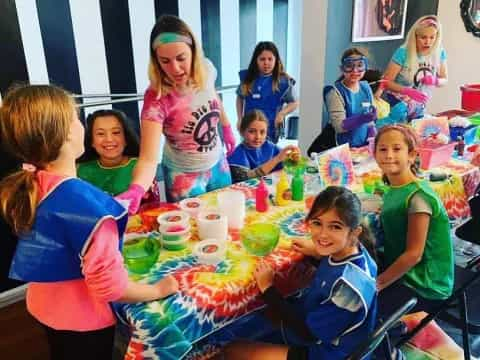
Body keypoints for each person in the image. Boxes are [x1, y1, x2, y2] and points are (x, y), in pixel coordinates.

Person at [0, 85, 179, 359]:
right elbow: (112, 287)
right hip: (82, 322)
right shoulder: (91, 212)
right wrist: (157, 289)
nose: (79, 122)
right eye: (75, 117)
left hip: (43, 306)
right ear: (67, 133)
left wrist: (115, 205)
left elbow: (61, 230)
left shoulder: (31, 185)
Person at [223, 186, 377, 360]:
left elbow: (307, 333)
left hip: (330, 353)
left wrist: (268, 289)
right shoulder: (355, 250)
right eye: (317, 223)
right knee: (266, 316)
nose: (323, 235)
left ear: (354, 233)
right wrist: (318, 254)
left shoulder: (348, 288)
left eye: (335, 227)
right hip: (327, 333)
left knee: (232, 349)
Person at [118, 15, 236, 210]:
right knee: (193, 232)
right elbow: (148, 158)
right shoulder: (156, 98)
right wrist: (137, 189)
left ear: (194, 52)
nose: (175, 68)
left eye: (181, 58)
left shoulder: (206, 69)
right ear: (156, 61)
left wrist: (227, 127)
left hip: (218, 164)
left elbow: (213, 98)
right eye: (165, 61)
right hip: (184, 176)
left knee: (225, 220)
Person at [373, 124, 454, 317]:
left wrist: (378, 284)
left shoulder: (418, 197)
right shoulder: (396, 188)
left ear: (412, 155)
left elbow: (414, 255)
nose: (388, 155)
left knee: (362, 310)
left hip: (426, 282)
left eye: (397, 149)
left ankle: (389, 344)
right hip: (405, 269)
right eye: (382, 149)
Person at [375, 15, 448, 120]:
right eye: (423, 37)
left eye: (432, 37)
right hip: (398, 102)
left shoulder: (439, 52)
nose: (428, 42)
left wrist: (435, 81)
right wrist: (407, 91)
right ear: (415, 36)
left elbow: (445, 79)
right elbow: (386, 82)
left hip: (420, 102)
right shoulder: (403, 52)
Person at [236, 41, 298, 144]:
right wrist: (239, 118)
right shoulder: (248, 79)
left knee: (269, 156)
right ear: (256, 60)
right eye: (262, 59)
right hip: (249, 129)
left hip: (271, 130)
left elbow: (294, 102)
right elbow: (240, 98)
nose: (266, 63)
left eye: (270, 59)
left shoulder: (283, 81)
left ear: (276, 60)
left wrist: (282, 114)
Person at [77, 109, 140, 196]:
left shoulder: (142, 167)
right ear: (91, 141)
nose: (109, 139)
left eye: (116, 132)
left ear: (126, 138)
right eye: (100, 134)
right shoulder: (78, 170)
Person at [324, 48, 377, 148]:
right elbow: (339, 126)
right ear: (342, 68)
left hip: (365, 147)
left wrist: (373, 139)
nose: (355, 71)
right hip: (345, 148)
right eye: (349, 66)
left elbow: (371, 121)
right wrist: (362, 118)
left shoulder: (366, 87)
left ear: (365, 67)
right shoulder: (334, 92)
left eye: (360, 65)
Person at [228, 110, 299, 183]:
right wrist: (277, 159)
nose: (258, 137)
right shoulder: (238, 154)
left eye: (262, 132)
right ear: (242, 132)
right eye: (252, 131)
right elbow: (247, 179)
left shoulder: (269, 146)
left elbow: (289, 163)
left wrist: (293, 157)